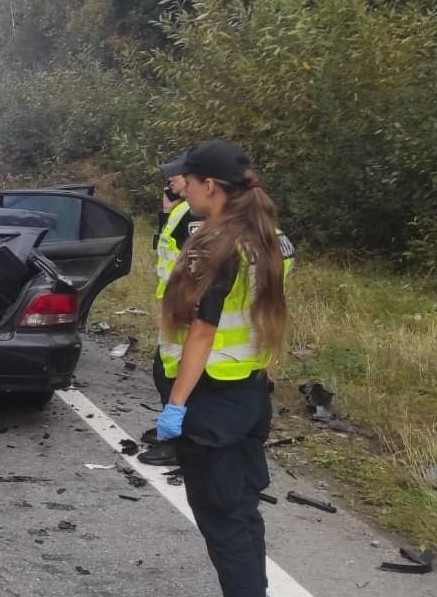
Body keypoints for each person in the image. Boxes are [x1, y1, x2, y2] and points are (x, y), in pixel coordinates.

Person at [157, 140, 293, 597]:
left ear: (210, 185)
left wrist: (174, 404)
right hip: (251, 394)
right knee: (241, 513)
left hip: (211, 400)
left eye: (189, 183)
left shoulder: (216, 247)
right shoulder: (271, 239)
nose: (183, 192)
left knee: (223, 522)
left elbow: (202, 331)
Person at [138, 155, 197, 467]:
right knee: (165, 368)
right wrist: (166, 210)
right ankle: (171, 431)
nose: (168, 184)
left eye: (172, 179)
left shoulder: (195, 215)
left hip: (185, 308)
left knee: (170, 372)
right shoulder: (182, 211)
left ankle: (177, 442)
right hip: (174, 305)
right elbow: (165, 245)